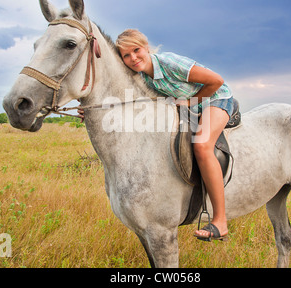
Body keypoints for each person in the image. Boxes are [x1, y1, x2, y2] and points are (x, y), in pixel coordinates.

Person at [80, 29, 234, 240]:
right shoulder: (143, 78)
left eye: (136, 50)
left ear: (146, 47)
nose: (133, 58)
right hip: (189, 108)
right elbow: (132, 104)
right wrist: (94, 110)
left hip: (215, 99)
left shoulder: (169, 64)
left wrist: (189, 102)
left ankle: (220, 220)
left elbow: (215, 81)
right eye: (126, 55)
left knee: (202, 145)